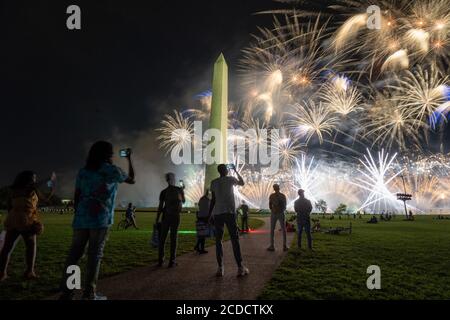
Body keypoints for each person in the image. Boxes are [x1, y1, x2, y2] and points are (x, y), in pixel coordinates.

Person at [59, 141, 135, 300]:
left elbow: (77, 195)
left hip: (81, 218)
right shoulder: (112, 170)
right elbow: (132, 179)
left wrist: (78, 213)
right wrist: (128, 159)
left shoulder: (83, 171)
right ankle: (89, 293)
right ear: (108, 154)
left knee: (75, 255)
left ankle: (68, 292)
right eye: (111, 152)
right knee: (95, 256)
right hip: (100, 218)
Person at [0, 171, 51, 281]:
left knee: (6, 248)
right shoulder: (29, 189)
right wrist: (49, 178)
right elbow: (43, 196)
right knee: (31, 247)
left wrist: (14, 216)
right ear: (27, 179)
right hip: (27, 220)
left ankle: (2, 273)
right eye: (33, 178)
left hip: (13, 219)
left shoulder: (14, 191)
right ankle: (29, 272)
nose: (35, 180)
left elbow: (9, 206)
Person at [209, 164, 249, 277]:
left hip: (218, 213)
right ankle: (240, 267)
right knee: (234, 240)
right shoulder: (231, 179)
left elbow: (213, 200)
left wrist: (209, 215)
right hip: (229, 213)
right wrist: (235, 170)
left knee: (218, 241)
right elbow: (242, 182)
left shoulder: (214, 182)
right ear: (226, 171)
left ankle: (220, 268)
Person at [156, 172, 185, 267]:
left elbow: (160, 207)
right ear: (173, 179)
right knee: (173, 238)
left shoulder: (163, 192)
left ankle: (161, 260)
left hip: (165, 216)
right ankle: (172, 261)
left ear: (167, 180)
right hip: (175, 216)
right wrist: (183, 191)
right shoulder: (178, 190)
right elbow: (183, 201)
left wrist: (157, 218)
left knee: (162, 238)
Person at [268, 184, 288, 251]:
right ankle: (275, 245)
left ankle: (282, 245)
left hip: (278, 213)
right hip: (277, 213)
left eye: (276, 187)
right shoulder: (279, 196)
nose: (276, 188)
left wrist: (274, 209)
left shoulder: (280, 196)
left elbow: (284, 206)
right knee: (276, 230)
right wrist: (275, 209)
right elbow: (270, 204)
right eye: (275, 187)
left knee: (281, 229)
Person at [195, 189, 210, 254]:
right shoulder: (208, 200)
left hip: (200, 217)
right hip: (204, 218)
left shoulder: (201, 199)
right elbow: (208, 209)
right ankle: (201, 249)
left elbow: (199, 206)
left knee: (201, 234)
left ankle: (197, 246)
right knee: (203, 235)